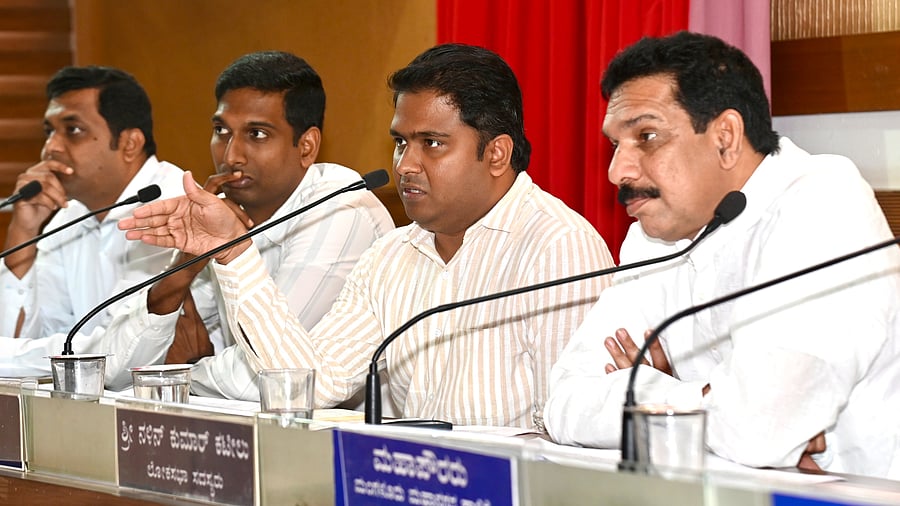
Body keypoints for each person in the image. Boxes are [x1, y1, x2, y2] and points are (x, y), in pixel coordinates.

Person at [120, 43, 615, 430]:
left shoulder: (556, 245)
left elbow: (567, 420)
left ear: (497, 154)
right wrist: (233, 254)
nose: (406, 165)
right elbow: (314, 383)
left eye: (432, 144)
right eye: (401, 142)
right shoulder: (391, 255)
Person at [543, 31, 900, 479]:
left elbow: (757, 430)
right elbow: (563, 403)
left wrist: (655, 399)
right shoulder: (651, 238)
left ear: (725, 138)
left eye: (647, 136)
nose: (618, 171)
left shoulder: (824, 203)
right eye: (617, 144)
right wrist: (700, 398)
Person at [112, 51, 394, 399]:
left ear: (306, 146)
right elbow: (116, 367)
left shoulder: (342, 208)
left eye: (257, 134)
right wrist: (186, 264)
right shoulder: (227, 210)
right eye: (221, 131)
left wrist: (174, 375)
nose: (230, 156)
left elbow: (279, 378)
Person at [0, 66, 186, 381]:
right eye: (49, 131)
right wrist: (23, 232)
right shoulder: (69, 215)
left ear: (129, 144)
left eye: (73, 130)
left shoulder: (174, 208)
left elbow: (115, 358)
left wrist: (14, 358)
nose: (51, 148)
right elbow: (18, 340)